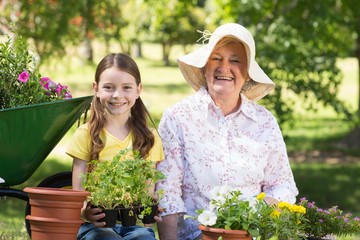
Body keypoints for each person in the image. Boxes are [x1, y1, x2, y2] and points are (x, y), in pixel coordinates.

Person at [155, 23, 298, 240]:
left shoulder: (265, 123)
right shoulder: (178, 118)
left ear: (248, 74)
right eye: (216, 58)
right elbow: (168, 192)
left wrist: (254, 217)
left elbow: (282, 185)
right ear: (204, 67)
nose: (224, 68)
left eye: (235, 60)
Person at [66, 53, 164, 240]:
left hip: (133, 227)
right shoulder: (86, 135)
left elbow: (147, 192)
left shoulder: (149, 138)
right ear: (96, 88)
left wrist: (151, 209)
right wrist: (86, 212)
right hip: (93, 228)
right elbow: (77, 194)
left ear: (138, 90)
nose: (117, 95)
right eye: (108, 88)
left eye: (126, 87)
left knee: (144, 237)